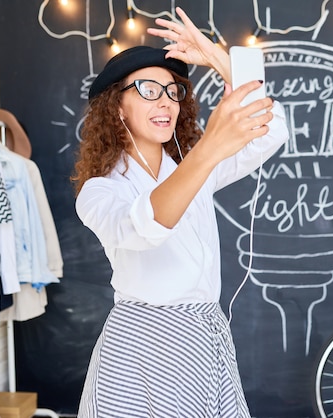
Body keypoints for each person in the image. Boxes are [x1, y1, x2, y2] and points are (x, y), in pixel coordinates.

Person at [72, 7, 289, 418]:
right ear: (116, 106)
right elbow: (144, 227)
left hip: (204, 341)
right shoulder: (100, 191)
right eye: (148, 90)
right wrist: (207, 151)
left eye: (173, 91)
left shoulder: (193, 165)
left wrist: (221, 62)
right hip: (141, 352)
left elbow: (272, 129)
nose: (166, 101)